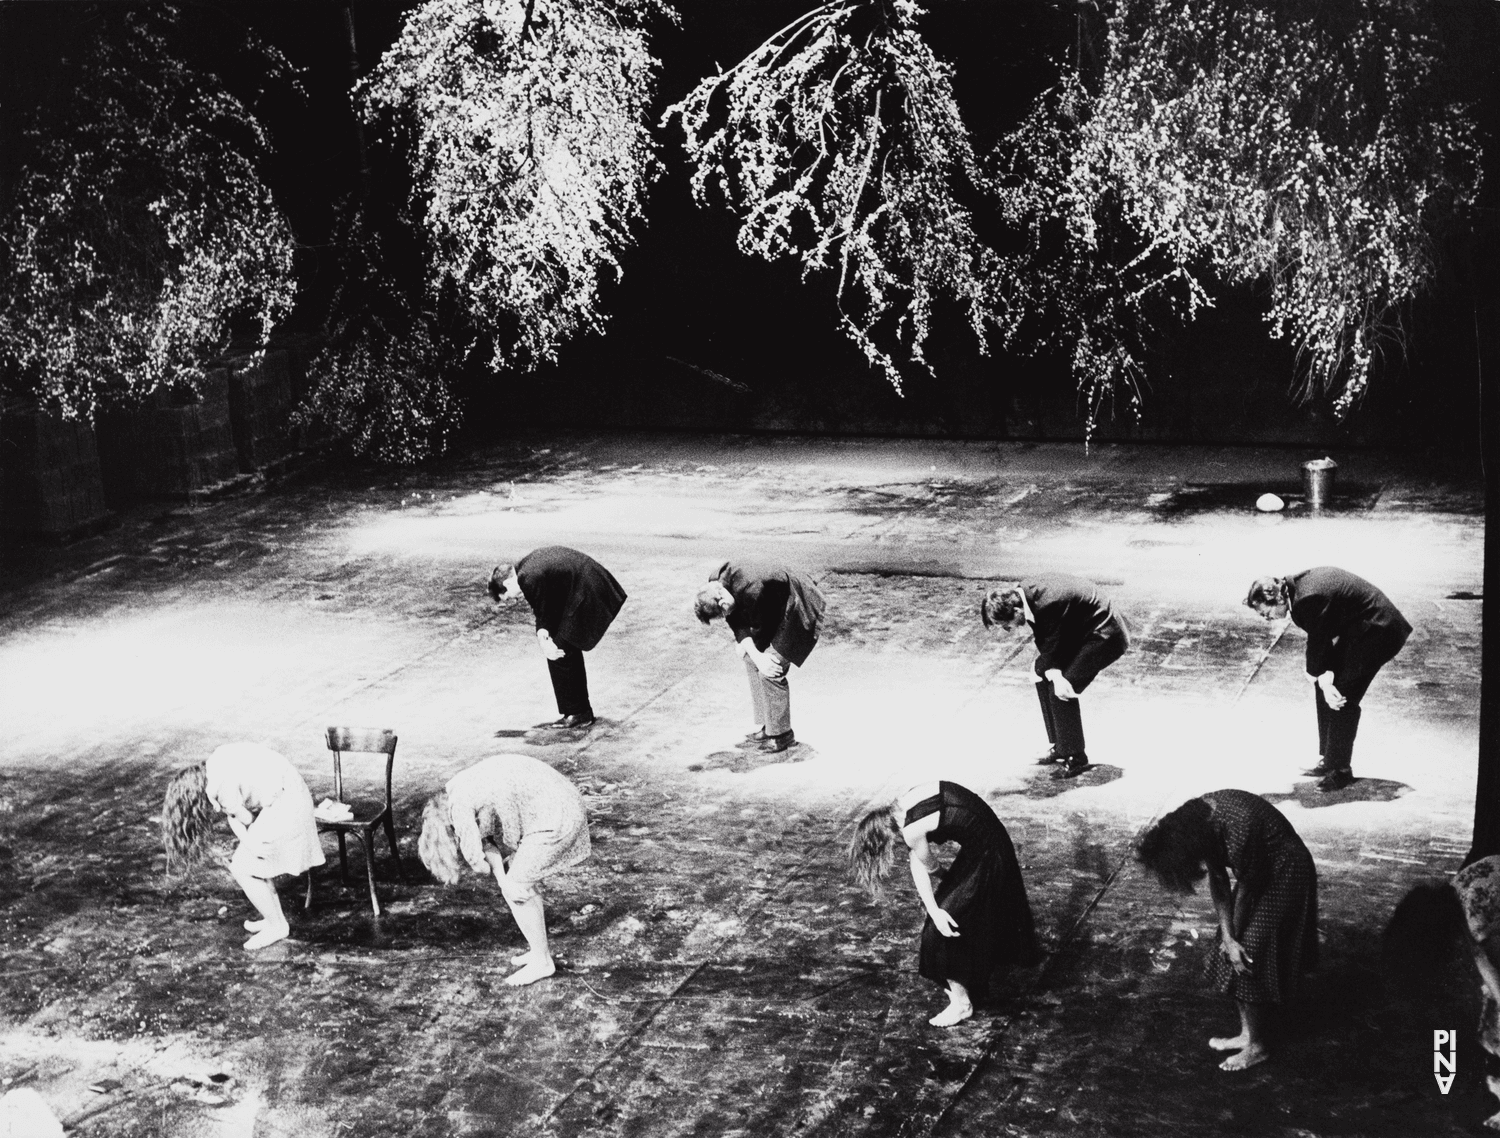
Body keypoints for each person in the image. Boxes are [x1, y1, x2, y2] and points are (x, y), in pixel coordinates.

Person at [1136, 789, 1318, 1071]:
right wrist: (1227, 935)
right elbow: (1220, 879)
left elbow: (1246, 886)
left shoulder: (1237, 827)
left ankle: (1258, 1047)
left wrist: (1235, 939)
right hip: (1257, 872)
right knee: (1227, 941)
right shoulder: (1195, 820)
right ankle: (1247, 1034)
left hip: (1286, 870)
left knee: (1249, 950)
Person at [850, 781, 1040, 1027]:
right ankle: (970, 977)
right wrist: (942, 896)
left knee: (938, 933)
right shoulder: (904, 803)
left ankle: (962, 1005)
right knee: (948, 910)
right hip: (986, 843)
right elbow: (918, 861)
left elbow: (928, 866)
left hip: (989, 855)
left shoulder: (911, 831)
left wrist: (938, 906)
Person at [419, 753, 591, 986]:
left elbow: (479, 862)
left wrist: (506, 883)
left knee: (517, 887)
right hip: (561, 799)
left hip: (557, 816)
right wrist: (503, 879)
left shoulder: (459, 809)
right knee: (518, 880)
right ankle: (538, 948)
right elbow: (488, 840)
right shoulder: (456, 787)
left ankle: (542, 962)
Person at [1245, 567, 1411, 792]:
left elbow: (1319, 639)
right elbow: (1323, 635)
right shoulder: (1296, 591)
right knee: (1323, 686)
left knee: (1341, 694)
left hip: (1380, 631)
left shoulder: (1308, 598)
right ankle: (1329, 758)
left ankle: (1341, 769)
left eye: (1266, 613)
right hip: (1359, 629)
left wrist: (1324, 677)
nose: (1267, 620)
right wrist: (1321, 677)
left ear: (1277, 598)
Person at [162, 742, 326, 951]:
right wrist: (249, 840)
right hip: (288, 786)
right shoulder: (216, 761)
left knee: (243, 869)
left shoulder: (220, 788)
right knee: (255, 863)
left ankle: (277, 926)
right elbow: (237, 812)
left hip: (288, 801)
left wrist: (250, 839)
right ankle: (273, 919)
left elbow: (245, 818)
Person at [1386, 857, 1500, 1130]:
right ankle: (1446, 1078)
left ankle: (1449, 1078)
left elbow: (1486, 963)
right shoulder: (1452, 896)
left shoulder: (1474, 914)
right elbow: (1479, 956)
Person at [981, 574, 1130, 779]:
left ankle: (1075, 755)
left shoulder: (1049, 603)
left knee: (1060, 689)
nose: (1009, 630)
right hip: (1080, 630)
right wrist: (1045, 667)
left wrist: (1057, 674)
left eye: (1008, 625)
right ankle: (1060, 745)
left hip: (1104, 635)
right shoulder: (1023, 594)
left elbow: (1055, 640)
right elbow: (1048, 635)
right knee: (1042, 674)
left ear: (1016, 610)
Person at [489, 546, 628, 731]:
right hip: (588, 583)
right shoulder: (525, 567)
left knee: (560, 649)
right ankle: (580, 711)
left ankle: (578, 713)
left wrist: (544, 639)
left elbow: (545, 612)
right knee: (562, 644)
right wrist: (543, 635)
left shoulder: (527, 577)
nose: (513, 599)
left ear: (506, 584)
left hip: (589, 588)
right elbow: (546, 606)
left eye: (507, 597)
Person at [694, 560, 826, 753]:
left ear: (722, 597)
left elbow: (763, 625)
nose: (725, 617)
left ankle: (782, 735)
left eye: (722, 612)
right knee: (752, 659)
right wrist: (746, 644)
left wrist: (752, 647)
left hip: (799, 602)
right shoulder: (716, 583)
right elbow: (735, 617)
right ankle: (769, 724)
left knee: (771, 668)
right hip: (773, 604)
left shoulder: (751, 589)